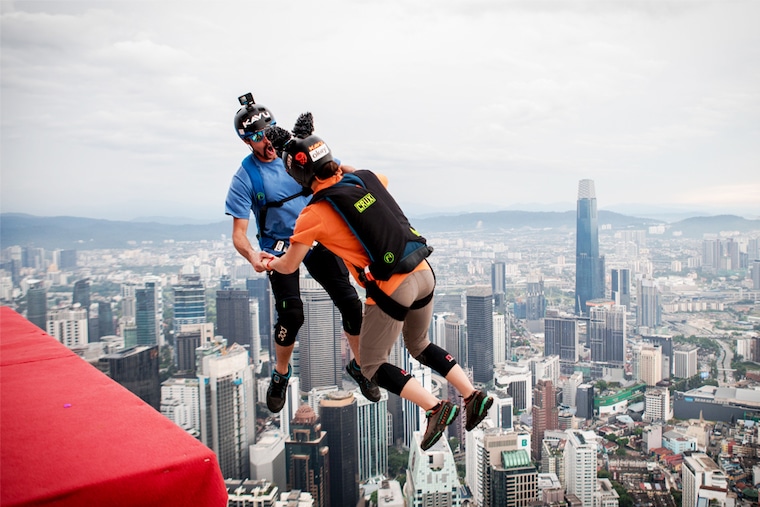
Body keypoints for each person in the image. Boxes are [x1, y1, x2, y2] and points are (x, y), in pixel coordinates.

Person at [260, 132, 494, 450]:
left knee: (371, 364)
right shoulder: (366, 178)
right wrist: (311, 145)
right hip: (424, 271)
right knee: (420, 344)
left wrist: (267, 263)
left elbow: (289, 266)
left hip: (393, 287)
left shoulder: (312, 215)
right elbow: (350, 171)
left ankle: (436, 409)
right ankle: (471, 394)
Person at [225, 93, 380, 413]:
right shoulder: (245, 178)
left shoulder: (295, 154)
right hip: (279, 245)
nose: (267, 140)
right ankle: (281, 375)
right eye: (257, 136)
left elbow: (331, 173)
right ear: (247, 142)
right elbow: (239, 234)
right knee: (292, 314)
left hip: (316, 235)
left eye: (270, 130)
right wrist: (253, 256)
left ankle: (361, 368)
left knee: (351, 303)